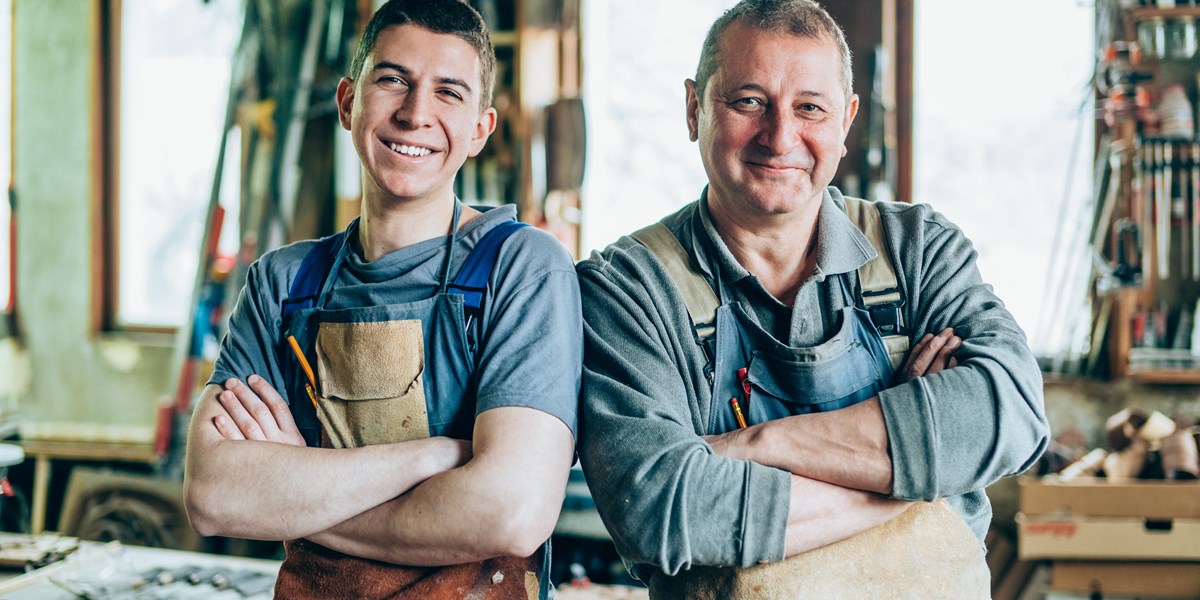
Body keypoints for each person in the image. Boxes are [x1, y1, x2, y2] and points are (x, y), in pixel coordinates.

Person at [576, 0, 1049, 596]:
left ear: (845, 122)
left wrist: (752, 446)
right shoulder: (627, 291)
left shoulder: (917, 250)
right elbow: (664, 509)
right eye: (749, 101)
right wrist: (921, 467)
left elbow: (1011, 416)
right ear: (694, 109)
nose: (780, 137)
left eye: (810, 108)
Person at [183, 1, 580, 598]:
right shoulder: (282, 283)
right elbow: (214, 496)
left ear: (479, 129)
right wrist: (437, 458)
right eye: (393, 79)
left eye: (449, 92)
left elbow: (512, 513)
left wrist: (298, 495)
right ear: (348, 102)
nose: (416, 113)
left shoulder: (522, 268)